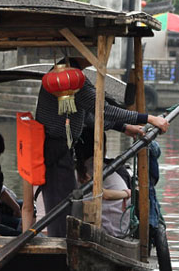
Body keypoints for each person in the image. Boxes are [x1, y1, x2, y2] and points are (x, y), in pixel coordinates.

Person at [29, 56, 169, 238]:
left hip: (59, 147)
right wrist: (149, 118)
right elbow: (103, 109)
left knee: (66, 199)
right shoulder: (70, 77)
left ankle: (62, 240)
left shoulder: (70, 75)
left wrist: (124, 127)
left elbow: (86, 116)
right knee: (61, 202)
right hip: (55, 146)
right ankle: (60, 244)